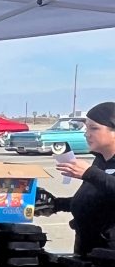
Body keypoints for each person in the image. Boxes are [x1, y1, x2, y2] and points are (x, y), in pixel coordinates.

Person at [35, 102, 115, 255]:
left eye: (94, 128)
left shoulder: (93, 170)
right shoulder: (100, 161)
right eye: (86, 128)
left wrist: (90, 173)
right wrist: (56, 204)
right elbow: (97, 200)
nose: (86, 134)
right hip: (88, 250)